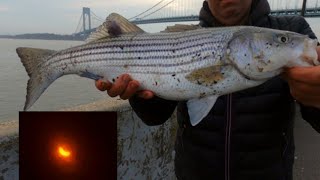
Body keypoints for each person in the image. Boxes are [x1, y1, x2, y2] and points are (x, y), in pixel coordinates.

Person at [95, 0, 320, 179]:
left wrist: (317, 99)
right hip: (193, 172)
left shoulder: (294, 30)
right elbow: (155, 117)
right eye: (282, 40)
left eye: (282, 40)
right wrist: (138, 92)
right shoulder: (177, 37)